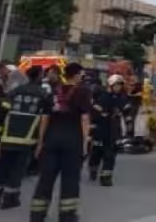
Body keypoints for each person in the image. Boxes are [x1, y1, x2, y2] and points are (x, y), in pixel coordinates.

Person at [30, 62, 92, 222]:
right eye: (81, 75)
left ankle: (37, 214)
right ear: (76, 75)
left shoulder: (52, 93)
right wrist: (85, 144)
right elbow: (84, 119)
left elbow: (44, 119)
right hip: (72, 141)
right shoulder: (83, 93)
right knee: (70, 179)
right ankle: (67, 215)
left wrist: (40, 142)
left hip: (51, 140)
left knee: (46, 178)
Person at [0, 65, 47, 209]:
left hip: (5, 138)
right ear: (39, 76)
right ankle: (10, 199)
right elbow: (46, 118)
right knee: (17, 169)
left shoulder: (14, 92)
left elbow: (1, 114)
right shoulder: (43, 95)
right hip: (26, 140)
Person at [88, 74, 130, 186]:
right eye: (116, 85)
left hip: (114, 130)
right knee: (96, 152)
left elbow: (127, 112)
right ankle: (93, 168)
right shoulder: (102, 97)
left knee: (110, 155)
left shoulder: (123, 98)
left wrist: (129, 125)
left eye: (120, 85)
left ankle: (106, 177)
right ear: (110, 86)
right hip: (101, 129)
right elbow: (94, 113)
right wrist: (94, 126)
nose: (118, 87)